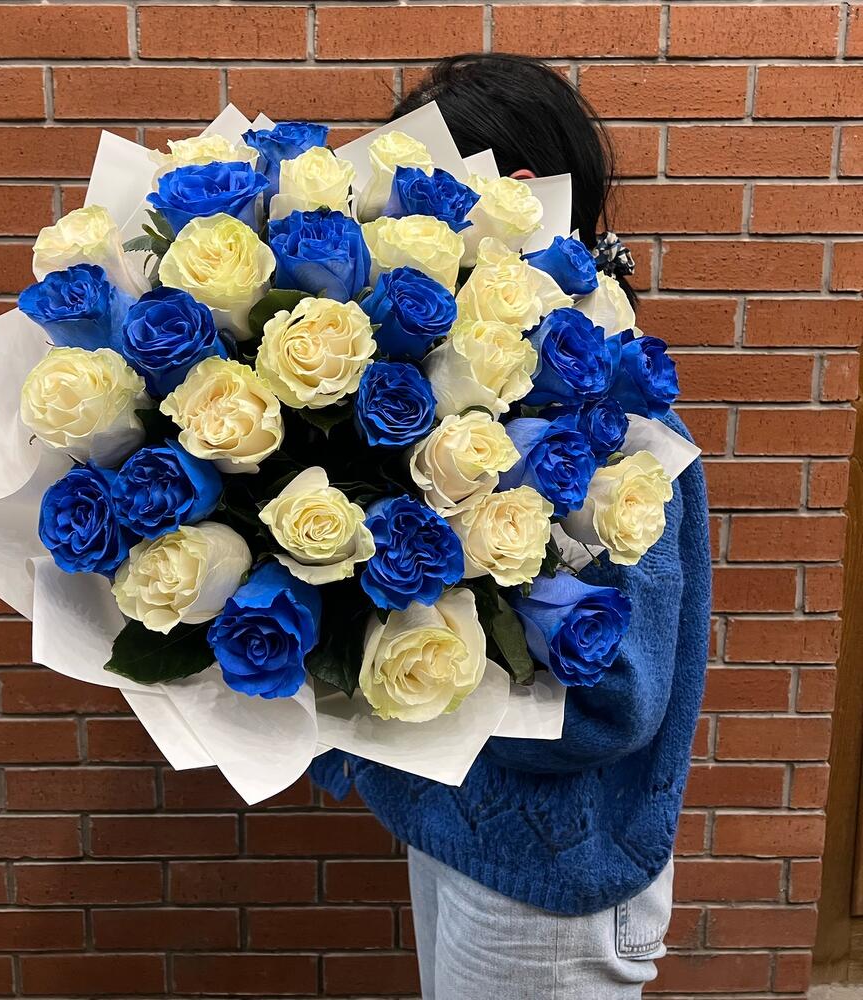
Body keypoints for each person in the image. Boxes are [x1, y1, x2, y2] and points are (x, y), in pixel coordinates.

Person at [311, 54, 711, 999]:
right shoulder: (472, 391)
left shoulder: (617, 431)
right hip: (465, 836)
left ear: (512, 196)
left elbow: (616, 699)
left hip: (554, 889)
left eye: (418, 198)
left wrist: (395, 685)